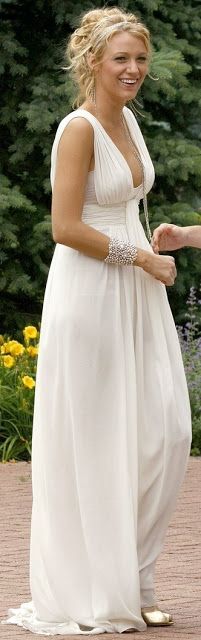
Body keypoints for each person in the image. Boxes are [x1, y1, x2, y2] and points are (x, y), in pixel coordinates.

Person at [3, 7, 192, 635]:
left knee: (163, 434)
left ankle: (134, 576)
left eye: (140, 58)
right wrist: (136, 254)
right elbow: (64, 227)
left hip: (138, 291)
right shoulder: (77, 129)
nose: (135, 69)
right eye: (122, 59)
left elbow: (123, 204)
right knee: (103, 442)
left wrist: (167, 237)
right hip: (90, 294)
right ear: (92, 62)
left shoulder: (131, 122)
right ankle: (111, 591)